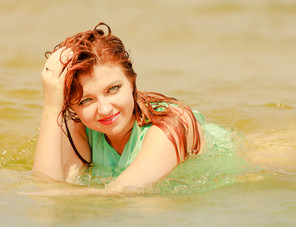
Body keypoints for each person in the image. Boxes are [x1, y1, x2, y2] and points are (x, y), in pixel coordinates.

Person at [32, 22, 207, 193]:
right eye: (86, 100)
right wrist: (52, 106)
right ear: (71, 106)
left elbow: (117, 193)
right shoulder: (81, 126)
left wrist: (55, 193)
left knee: (151, 206)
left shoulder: (170, 124)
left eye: (113, 89)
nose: (105, 110)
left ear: (132, 81)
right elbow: (47, 192)